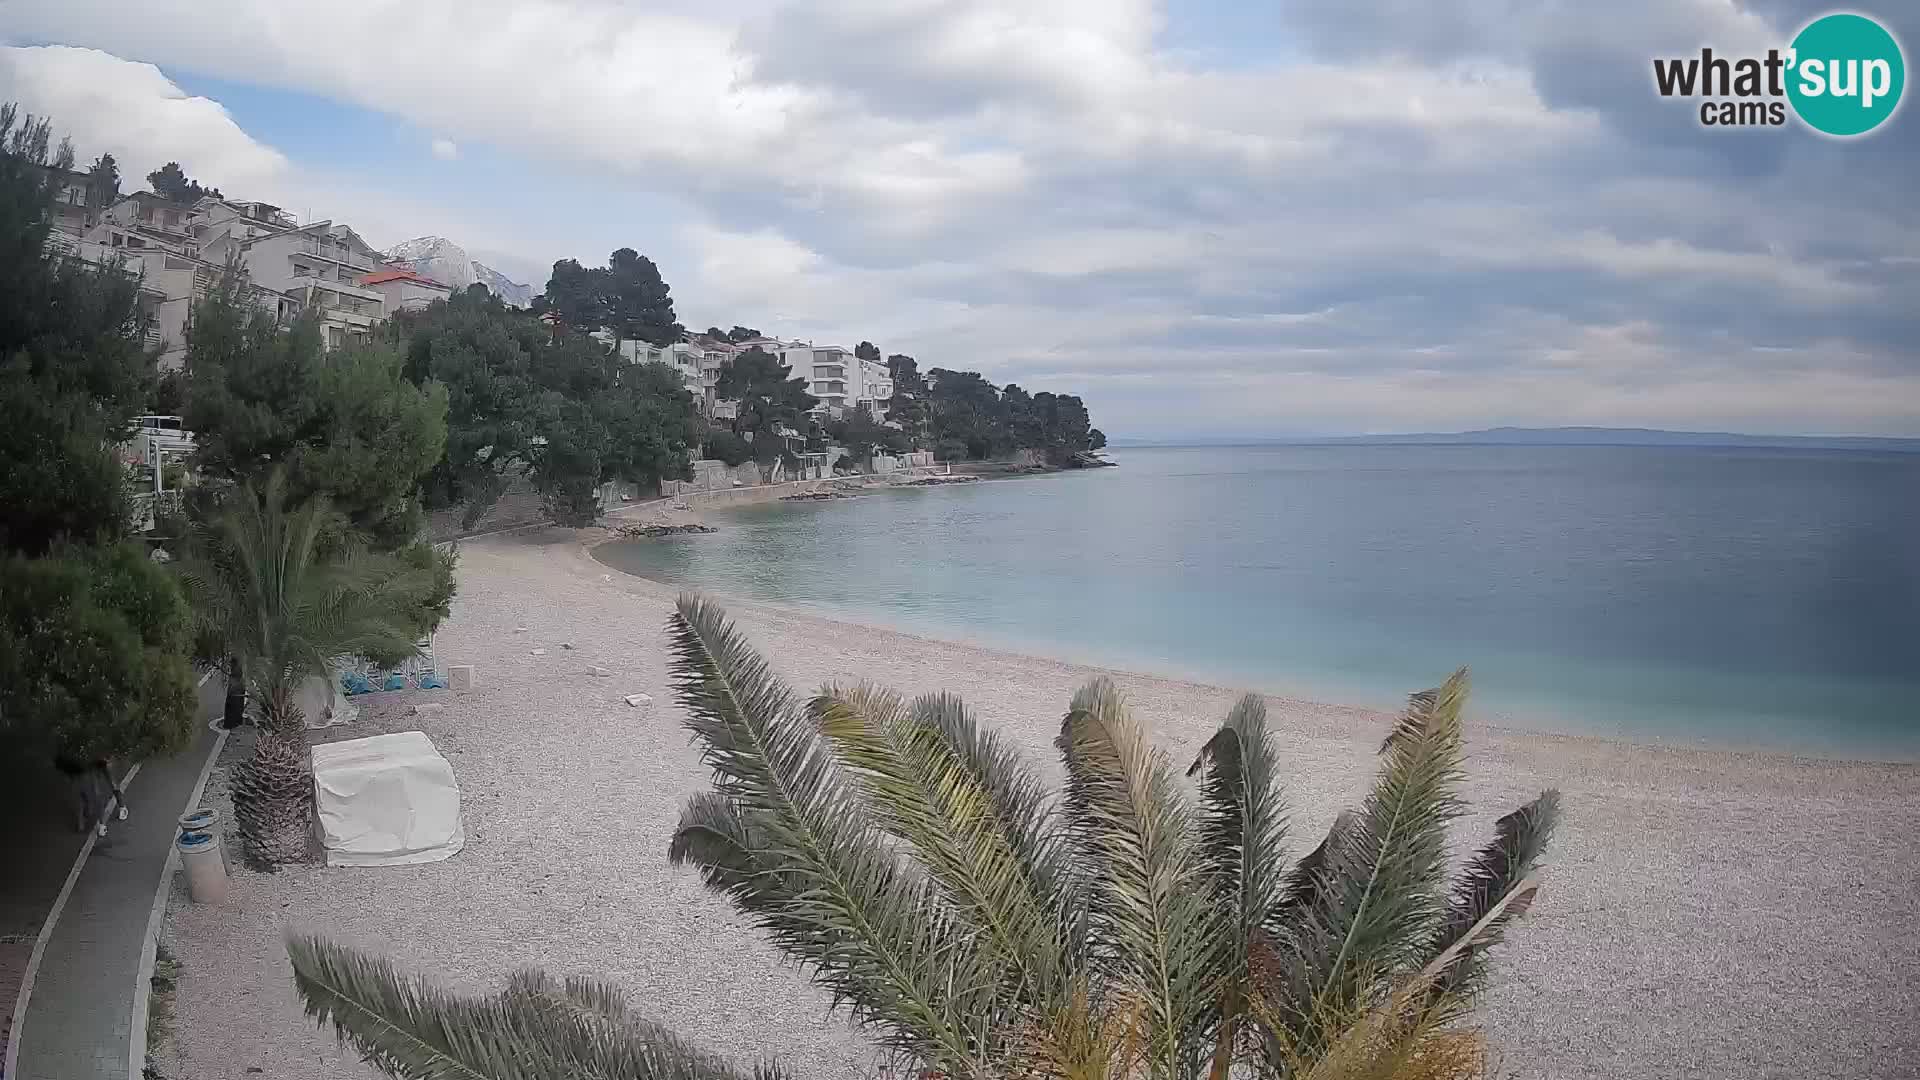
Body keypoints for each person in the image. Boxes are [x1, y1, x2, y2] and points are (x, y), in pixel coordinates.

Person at [53, 752, 127, 837]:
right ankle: (100, 824)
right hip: (92, 763)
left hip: (103, 759)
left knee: (113, 784)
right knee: (95, 792)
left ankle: (122, 807)